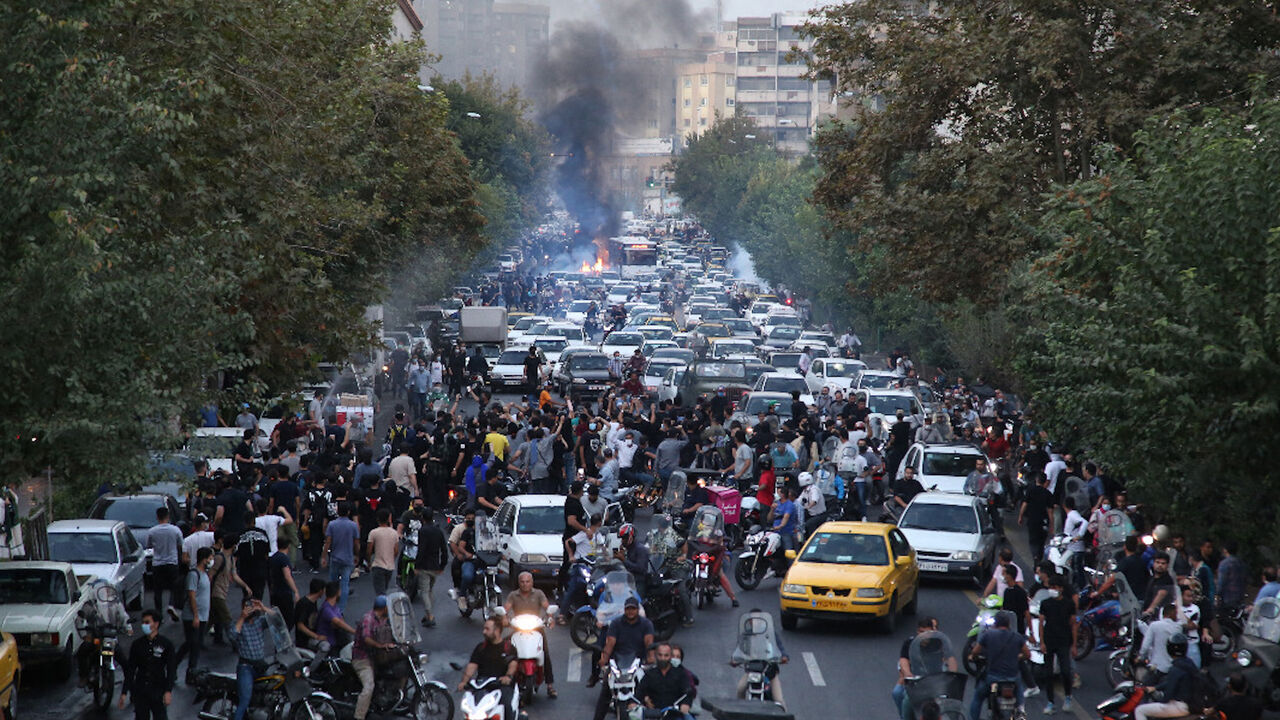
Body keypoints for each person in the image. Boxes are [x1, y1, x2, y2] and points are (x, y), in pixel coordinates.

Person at [591, 597, 655, 720]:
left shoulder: (646, 624)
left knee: (649, 690)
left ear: (637, 610)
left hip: (638, 662)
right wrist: (604, 658)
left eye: (633, 609)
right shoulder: (616, 623)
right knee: (605, 691)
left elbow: (649, 642)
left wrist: (651, 658)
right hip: (618, 663)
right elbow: (610, 643)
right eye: (628, 609)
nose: (630, 611)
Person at [504, 571, 557, 699]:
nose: (525, 584)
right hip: (518, 629)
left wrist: (550, 617)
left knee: (545, 653)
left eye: (527, 581)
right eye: (522, 582)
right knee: (507, 652)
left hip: (536, 629)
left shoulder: (538, 594)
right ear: (519, 583)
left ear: (532, 582)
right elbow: (506, 609)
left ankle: (550, 685)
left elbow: (547, 607)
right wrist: (504, 618)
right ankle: (505, 681)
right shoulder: (513, 595)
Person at [118, 609, 176, 720]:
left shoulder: (166, 644)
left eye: (147, 622)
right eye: (143, 622)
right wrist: (124, 692)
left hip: (158, 690)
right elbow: (131, 670)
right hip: (140, 691)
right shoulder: (137, 645)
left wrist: (168, 691)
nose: (143, 625)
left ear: (156, 624)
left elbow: (171, 669)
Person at [968, 612, 1028, 720]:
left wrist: (972, 656)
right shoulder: (1017, 636)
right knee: (1019, 686)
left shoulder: (988, 635)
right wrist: (1018, 657)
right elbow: (1027, 654)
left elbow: (975, 651)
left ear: (995, 624)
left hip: (993, 677)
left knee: (978, 696)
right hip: (1012, 677)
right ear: (1009, 624)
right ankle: (1021, 710)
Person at [457, 618, 518, 720]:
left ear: (497, 631)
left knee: (507, 705)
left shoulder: (508, 648)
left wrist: (508, 677)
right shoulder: (480, 648)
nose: (483, 632)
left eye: (487, 629)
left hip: (502, 685)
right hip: (482, 685)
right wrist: (464, 682)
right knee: (469, 707)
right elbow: (472, 666)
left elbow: (513, 665)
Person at [227, 599, 276, 720]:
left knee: (271, 692)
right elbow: (232, 635)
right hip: (246, 667)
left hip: (260, 665)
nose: (250, 609)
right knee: (244, 700)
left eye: (251, 607)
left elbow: (277, 619)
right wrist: (242, 617)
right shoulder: (238, 624)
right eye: (247, 607)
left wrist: (263, 608)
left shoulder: (260, 622)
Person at [1036, 574, 1078, 713]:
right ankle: (1050, 702)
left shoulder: (1069, 604)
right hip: (1049, 641)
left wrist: (1074, 645)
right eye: (1051, 587)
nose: (1052, 589)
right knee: (1048, 674)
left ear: (1060, 588)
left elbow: (1073, 625)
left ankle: (1068, 696)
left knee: (1066, 671)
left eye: (1054, 587)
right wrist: (1041, 642)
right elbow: (1041, 624)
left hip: (1064, 641)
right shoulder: (1045, 603)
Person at [1134, 634, 1200, 720]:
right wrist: (1155, 688)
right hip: (1191, 704)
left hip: (1180, 706)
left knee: (1140, 710)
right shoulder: (1188, 663)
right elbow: (1174, 681)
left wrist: (1160, 699)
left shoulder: (1175, 668)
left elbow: (1168, 694)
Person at [353, 595, 398, 720]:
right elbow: (366, 638)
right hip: (362, 658)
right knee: (369, 687)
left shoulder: (383, 619)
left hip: (376, 656)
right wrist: (380, 645)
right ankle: (359, 716)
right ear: (383, 608)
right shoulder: (368, 619)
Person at [176, 547, 213, 684]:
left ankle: (185, 669)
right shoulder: (194, 574)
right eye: (210, 558)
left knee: (193, 644)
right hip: (193, 617)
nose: (211, 561)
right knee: (193, 644)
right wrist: (196, 615)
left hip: (202, 616)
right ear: (204, 559)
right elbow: (192, 596)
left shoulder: (204, 574)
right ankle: (189, 672)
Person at [636, 642, 695, 719]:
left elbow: (688, 692)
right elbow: (639, 692)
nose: (663, 658)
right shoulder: (649, 674)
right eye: (660, 655)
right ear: (656, 655)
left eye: (666, 655)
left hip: (675, 714)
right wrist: (635, 703)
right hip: (654, 715)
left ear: (670, 656)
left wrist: (685, 704)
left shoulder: (680, 674)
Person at [146, 506, 184, 620]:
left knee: (158, 590)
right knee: (174, 586)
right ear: (168, 516)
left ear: (157, 517)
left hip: (158, 563)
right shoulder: (175, 530)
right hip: (172, 561)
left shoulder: (152, 531)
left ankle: (159, 615)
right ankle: (172, 604)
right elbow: (180, 545)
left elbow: (149, 545)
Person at [322, 502, 360, 613]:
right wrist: (357, 555)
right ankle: (341, 610)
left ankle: (331, 605)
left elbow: (328, 542)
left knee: (333, 582)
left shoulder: (332, 524)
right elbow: (356, 543)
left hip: (335, 557)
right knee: (345, 584)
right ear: (348, 512)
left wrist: (324, 556)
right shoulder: (353, 525)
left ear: (337, 511)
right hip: (348, 558)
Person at [415, 509, 448, 628]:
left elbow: (421, 549)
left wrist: (417, 565)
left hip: (424, 566)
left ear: (423, 518)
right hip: (435, 566)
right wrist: (442, 565)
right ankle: (428, 613)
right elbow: (444, 549)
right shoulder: (438, 531)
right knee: (429, 591)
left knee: (424, 591)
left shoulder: (423, 531)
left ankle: (430, 615)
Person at [367, 508, 399, 596]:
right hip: (390, 566)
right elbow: (396, 550)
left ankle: (382, 608)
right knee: (384, 589)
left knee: (380, 592)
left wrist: (369, 562)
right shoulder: (394, 533)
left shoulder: (373, 532)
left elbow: (369, 550)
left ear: (377, 519)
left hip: (378, 565)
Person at [294, 578, 326, 650]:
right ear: (320, 591)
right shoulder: (304, 604)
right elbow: (300, 626)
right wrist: (316, 636)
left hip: (311, 636)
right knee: (326, 646)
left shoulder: (313, 601)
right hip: (305, 640)